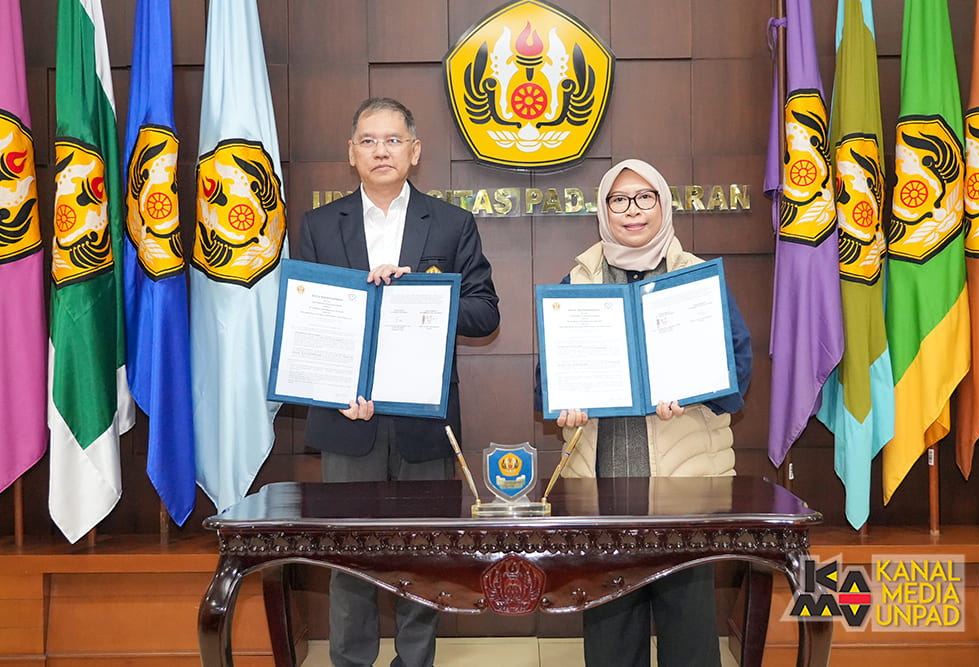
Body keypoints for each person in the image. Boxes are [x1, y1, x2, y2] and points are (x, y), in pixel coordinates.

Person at [296, 97, 500, 667]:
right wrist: (337, 392)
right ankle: (351, 661)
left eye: (392, 140)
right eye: (368, 140)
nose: (380, 150)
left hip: (424, 421)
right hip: (347, 421)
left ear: (415, 151)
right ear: (351, 154)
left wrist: (427, 296)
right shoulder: (317, 225)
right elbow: (309, 321)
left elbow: (486, 314)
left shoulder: (453, 223)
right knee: (350, 558)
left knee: (423, 556)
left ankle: (416, 662)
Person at [535, 159, 752, 666]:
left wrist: (696, 390)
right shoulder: (576, 282)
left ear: (664, 205)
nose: (632, 211)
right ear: (603, 210)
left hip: (683, 491)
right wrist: (563, 404)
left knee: (690, 641)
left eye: (645, 197)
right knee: (611, 640)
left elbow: (738, 369)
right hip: (603, 488)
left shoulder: (697, 278)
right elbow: (549, 378)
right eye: (619, 199)